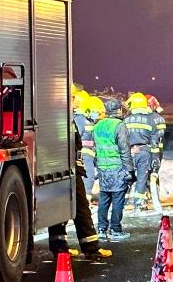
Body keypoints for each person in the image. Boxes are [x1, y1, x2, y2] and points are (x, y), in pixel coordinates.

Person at [48, 103, 112, 260]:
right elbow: (76, 143)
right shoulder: (66, 119)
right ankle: (91, 248)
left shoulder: (53, 118)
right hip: (69, 169)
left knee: (58, 209)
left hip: (55, 168)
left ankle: (59, 249)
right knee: (81, 208)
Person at [94, 98, 136, 241]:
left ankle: (101, 228)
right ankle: (116, 229)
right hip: (117, 168)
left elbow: (95, 148)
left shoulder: (98, 126)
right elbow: (124, 150)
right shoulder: (119, 126)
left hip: (103, 169)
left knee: (104, 199)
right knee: (118, 199)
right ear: (118, 110)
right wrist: (130, 171)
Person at [124, 92, 156, 212]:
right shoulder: (149, 120)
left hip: (129, 152)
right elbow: (154, 140)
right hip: (144, 151)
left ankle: (124, 202)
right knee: (142, 177)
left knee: (127, 176)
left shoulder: (126, 120)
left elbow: (122, 138)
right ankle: (139, 203)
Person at [81, 96, 106, 200]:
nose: (97, 115)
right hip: (85, 154)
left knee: (93, 175)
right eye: (95, 112)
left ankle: (88, 199)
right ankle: (86, 200)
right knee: (89, 176)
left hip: (90, 154)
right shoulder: (81, 120)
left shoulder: (88, 121)